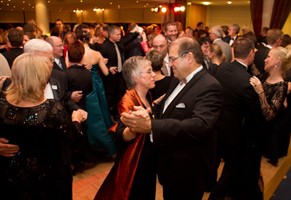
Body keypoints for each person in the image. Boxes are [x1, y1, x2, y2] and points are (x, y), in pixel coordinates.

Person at [120, 37, 223, 200]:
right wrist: (150, 112)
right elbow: (167, 108)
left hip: (188, 171)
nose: (170, 64)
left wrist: (151, 126)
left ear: (189, 57)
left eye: (173, 59)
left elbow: (200, 125)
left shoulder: (209, 86)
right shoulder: (177, 79)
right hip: (171, 168)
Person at [0, 53, 85, 199]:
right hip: (49, 176)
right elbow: (72, 138)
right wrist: (76, 120)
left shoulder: (2, 105)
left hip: (11, 173)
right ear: (41, 78)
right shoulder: (52, 110)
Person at [209, 38, 265, 200]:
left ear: (233, 51)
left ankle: (211, 185)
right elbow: (255, 114)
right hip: (233, 133)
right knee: (231, 168)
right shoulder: (247, 82)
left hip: (215, 125)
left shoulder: (222, 68)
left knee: (215, 162)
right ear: (251, 53)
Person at [94, 56, 157, 200]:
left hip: (147, 158)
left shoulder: (149, 95)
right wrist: (135, 126)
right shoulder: (127, 100)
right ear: (135, 78)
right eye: (149, 71)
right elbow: (123, 134)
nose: (154, 74)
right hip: (135, 162)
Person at [249, 45, 291, 166]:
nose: (265, 59)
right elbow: (254, 72)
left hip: (261, 133)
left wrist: (260, 92)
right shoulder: (266, 75)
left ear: (277, 61)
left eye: (268, 56)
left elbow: (269, 115)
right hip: (253, 129)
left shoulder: (281, 86)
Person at [75, 25, 115, 156]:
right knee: (100, 113)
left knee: (87, 113)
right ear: (89, 38)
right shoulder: (96, 54)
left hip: (80, 84)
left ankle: (89, 146)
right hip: (96, 85)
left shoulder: (75, 53)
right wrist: (102, 62)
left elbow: (68, 68)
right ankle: (104, 145)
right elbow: (106, 73)